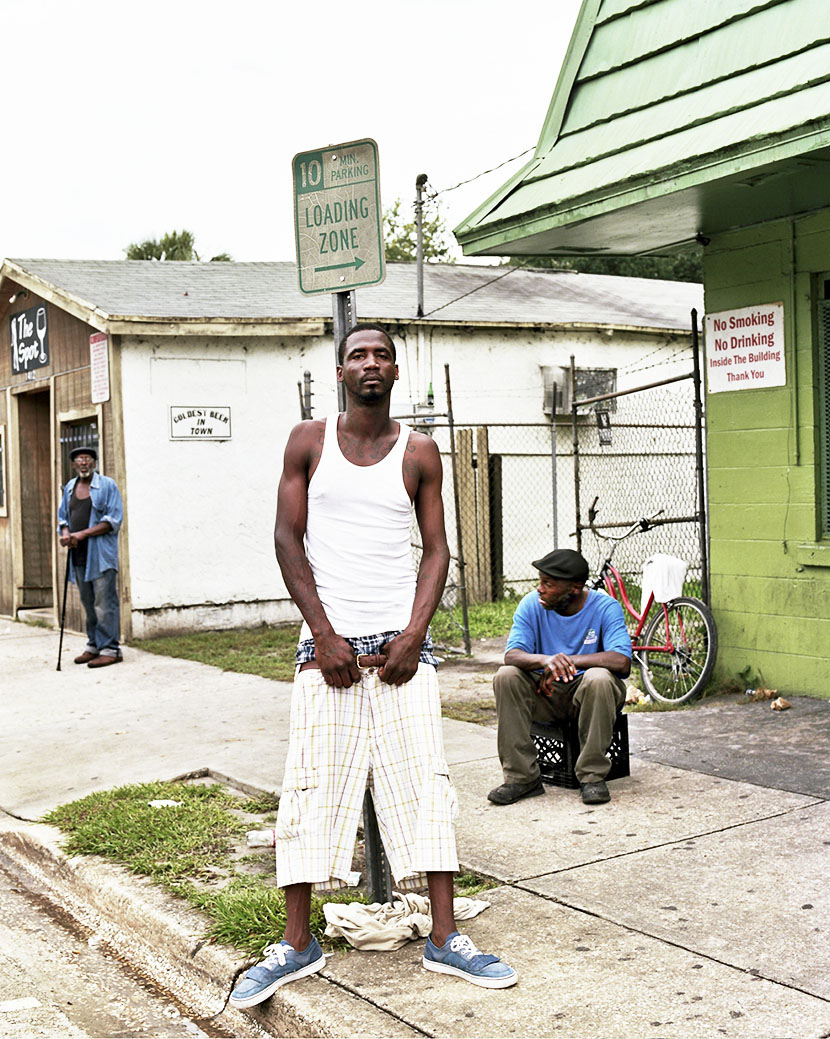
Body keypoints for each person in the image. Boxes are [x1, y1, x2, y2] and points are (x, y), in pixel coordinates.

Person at [230, 323, 516, 1009]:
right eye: (357, 354)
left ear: (394, 371)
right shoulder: (309, 441)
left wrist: (416, 633)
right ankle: (297, 942)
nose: (370, 363)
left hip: (399, 652)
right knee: (308, 788)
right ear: (340, 371)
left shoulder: (419, 450)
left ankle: (445, 937)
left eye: (381, 354)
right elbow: (285, 538)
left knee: (426, 785)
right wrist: (323, 633)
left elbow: (437, 550)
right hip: (324, 651)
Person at [488, 548, 631, 807]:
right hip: (547, 696)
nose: (540, 589)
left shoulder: (605, 607)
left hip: (588, 698)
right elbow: (512, 655)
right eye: (540, 581)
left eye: (548, 584)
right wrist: (545, 661)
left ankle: (592, 777)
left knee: (599, 677)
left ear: (575, 587)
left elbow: (621, 662)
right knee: (506, 676)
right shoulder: (531, 604)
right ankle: (522, 779)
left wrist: (567, 662)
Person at [57, 446, 123, 667]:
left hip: (101, 554)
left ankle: (110, 649)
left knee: (105, 602)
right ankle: (94, 645)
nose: (83, 463)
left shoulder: (107, 485)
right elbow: (63, 518)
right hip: (78, 555)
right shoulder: (69, 487)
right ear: (74, 464)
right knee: (88, 601)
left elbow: (112, 520)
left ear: (94, 462)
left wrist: (82, 534)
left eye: (87, 458)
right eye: (78, 459)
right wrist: (66, 535)